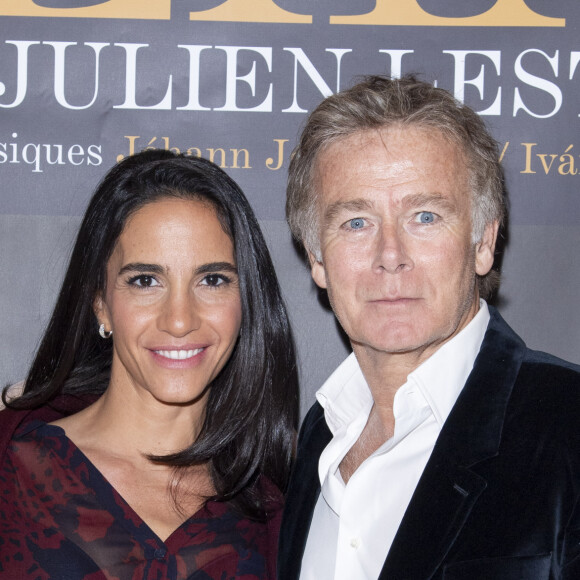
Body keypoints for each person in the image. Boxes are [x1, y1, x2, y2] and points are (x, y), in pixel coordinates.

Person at [277, 75, 580, 579]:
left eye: (424, 216)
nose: (390, 256)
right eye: (356, 222)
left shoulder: (569, 425)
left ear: (484, 241)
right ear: (317, 258)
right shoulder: (316, 441)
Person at [0, 149, 299, 579]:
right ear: (100, 302)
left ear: (246, 301)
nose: (179, 319)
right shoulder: (11, 465)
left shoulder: (277, 512)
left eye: (212, 280)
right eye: (145, 281)